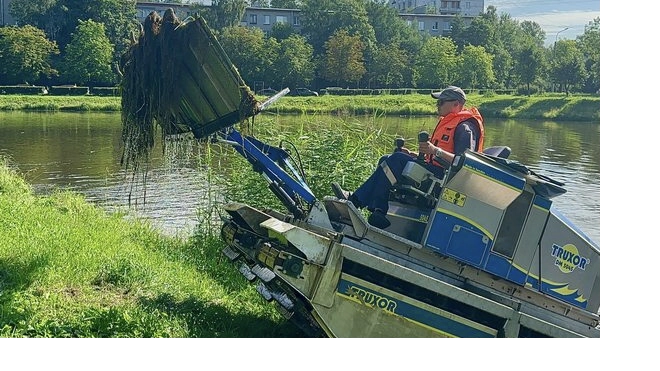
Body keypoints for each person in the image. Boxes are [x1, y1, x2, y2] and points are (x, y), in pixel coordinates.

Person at [332, 85, 485, 229]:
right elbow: (434, 156)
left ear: (456, 104)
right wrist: (414, 154)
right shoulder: (449, 122)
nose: (437, 105)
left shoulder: (465, 128)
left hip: (443, 181)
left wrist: (435, 151)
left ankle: (355, 200)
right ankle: (378, 211)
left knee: (397, 159)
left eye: (441, 102)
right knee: (386, 159)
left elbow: (465, 163)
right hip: (432, 171)